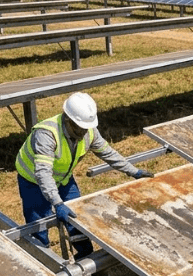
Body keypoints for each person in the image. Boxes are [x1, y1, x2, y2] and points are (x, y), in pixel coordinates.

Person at [15, 92, 153, 258]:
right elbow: (43, 173)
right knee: (39, 224)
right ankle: (43, 260)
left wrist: (134, 171)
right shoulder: (47, 134)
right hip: (33, 181)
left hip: (63, 179)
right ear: (67, 119)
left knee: (77, 216)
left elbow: (107, 153)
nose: (82, 133)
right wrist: (57, 203)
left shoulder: (88, 131)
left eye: (85, 128)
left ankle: (86, 258)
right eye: (78, 128)